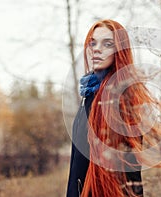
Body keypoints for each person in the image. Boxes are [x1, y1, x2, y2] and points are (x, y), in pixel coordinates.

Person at [66, 19, 154, 197]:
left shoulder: (121, 101)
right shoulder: (89, 96)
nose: (96, 49)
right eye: (93, 42)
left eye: (107, 44)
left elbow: (130, 171)